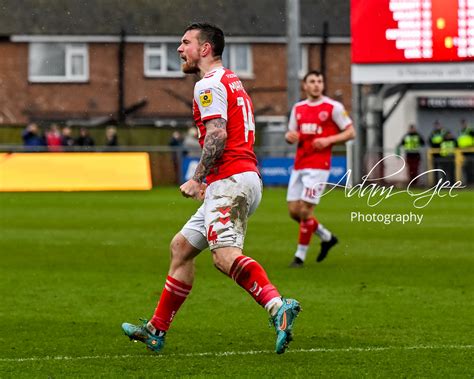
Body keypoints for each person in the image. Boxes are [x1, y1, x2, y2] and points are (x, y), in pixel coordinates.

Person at [122, 22, 300, 355]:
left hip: (230, 180)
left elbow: (217, 133)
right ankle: (156, 330)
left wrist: (199, 177)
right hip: (235, 177)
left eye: (185, 42)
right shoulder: (232, 80)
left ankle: (278, 306)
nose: (180, 49)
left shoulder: (208, 84)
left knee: (223, 257)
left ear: (205, 49)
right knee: (181, 248)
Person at [285, 70, 355, 267]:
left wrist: (328, 140)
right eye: (312, 81)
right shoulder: (298, 108)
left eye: (320, 81)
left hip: (319, 165)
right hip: (300, 164)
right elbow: (292, 133)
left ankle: (299, 257)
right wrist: (289, 137)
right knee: (294, 212)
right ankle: (327, 237)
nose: (316, 84)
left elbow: (351, 132)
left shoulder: (333, 107)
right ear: (305, 86)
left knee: (305, 211)